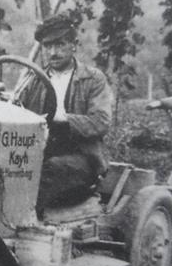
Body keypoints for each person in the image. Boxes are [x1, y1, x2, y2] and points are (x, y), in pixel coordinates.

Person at [16, 13, 114, 212]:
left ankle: (24, 221)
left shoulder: (93, 79)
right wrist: (0, 96)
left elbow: (101, 121)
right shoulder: (33, 78)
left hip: (83, 160)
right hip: (41, 152)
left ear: (74, 45)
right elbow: (18, 108)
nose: (53, 52)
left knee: (48, 169)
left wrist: (64, 118)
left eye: (60, 45)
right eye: (47, 46)